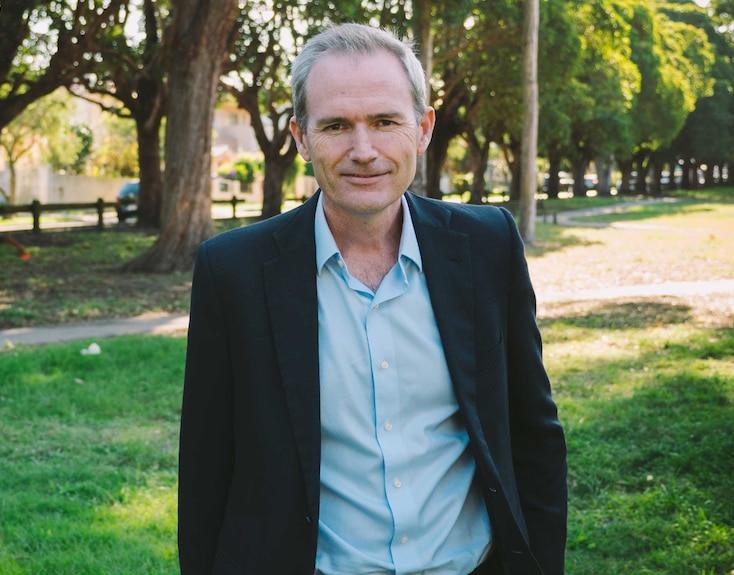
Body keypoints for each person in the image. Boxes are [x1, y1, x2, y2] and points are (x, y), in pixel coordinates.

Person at [178, 22, 567, 575]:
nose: (364, 151)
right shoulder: (232, 271)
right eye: (336, 125)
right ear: (302, 138)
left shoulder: (488, 246)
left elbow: (534, 433)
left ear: (423, 128)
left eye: (385, 122)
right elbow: (206, 469)